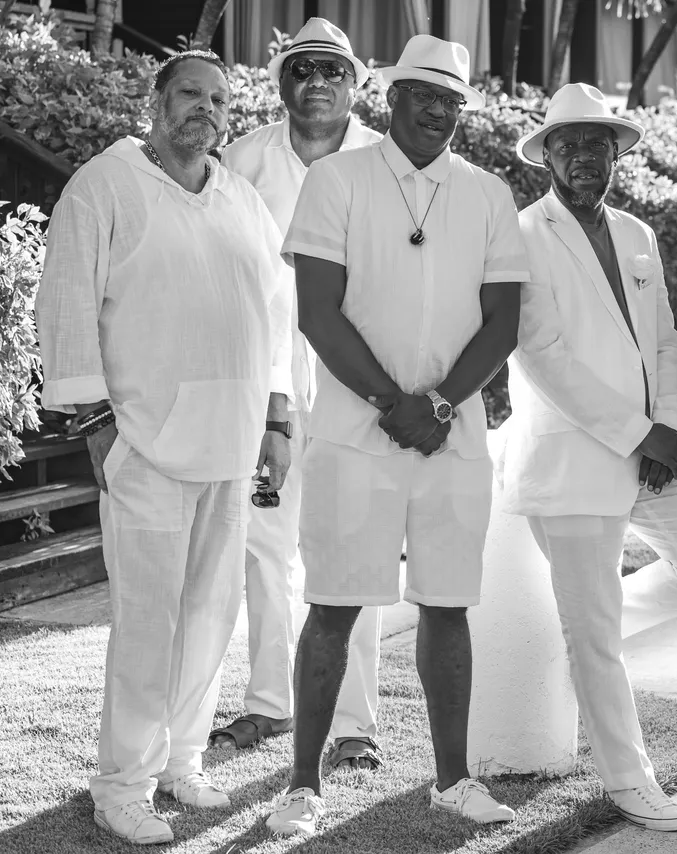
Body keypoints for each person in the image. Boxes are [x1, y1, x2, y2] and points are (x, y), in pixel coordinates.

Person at [264, 35, 528, 836]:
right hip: (354, 432)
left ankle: (453, 779)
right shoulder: (335, 179)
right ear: (392, 98)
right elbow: (317, 310)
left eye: (452, 100)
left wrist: (442, 405)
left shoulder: (486, 193)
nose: (440, 112)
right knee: (334, 604)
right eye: (425, 96)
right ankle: (303, 787)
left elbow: (505, 318)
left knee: (447, 605)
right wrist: (392, 401)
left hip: (451, 436)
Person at [36, 50, 293, 845]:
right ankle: (123, 784)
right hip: (143, 448)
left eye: (219, 100)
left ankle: (183, 760)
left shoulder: (241, 198)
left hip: (232, 446)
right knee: (148, 623)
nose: (206, 111)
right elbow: (67, 307)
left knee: (212, 616)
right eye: (190, 94)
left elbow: (275, 316)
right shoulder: (104, 184)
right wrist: (99, 434)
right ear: (156, 101)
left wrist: (277, 419)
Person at [503, 82, 677, 832]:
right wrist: (639, 434)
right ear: (546, 155)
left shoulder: (638, 234)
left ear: (615, 155)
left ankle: (582, 629)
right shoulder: (522, 235)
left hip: (654, 453)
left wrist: (668, 426)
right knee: (597, 638)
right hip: (573, 462)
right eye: (568, 144)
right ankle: (628, 780)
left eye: (596, 145)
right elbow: (541, 355)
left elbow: (665, 342)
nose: (583, 157)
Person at [213, 16, 386, 772]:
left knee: (355, 545)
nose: (316, 82)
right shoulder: (242, 159)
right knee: (264, 548)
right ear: (280, 78)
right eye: (301, 68)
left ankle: (356, 724)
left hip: (358, 381)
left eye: (332, 70)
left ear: (355, 83)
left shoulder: (388, 161)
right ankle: (268, 706)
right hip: (264, 385)